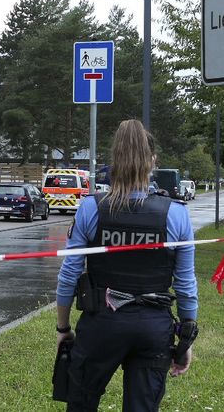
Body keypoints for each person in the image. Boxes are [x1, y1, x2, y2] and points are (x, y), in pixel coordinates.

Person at [55, 120, 197, 411]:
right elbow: (185, 284)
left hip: (101, 325)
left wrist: (63, 327)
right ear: (153, 162)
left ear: (114, 162)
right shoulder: (177, 214)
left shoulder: (91, 208)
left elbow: (69, 273)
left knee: (81, 403)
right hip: (152, 328)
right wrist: (185, 340)